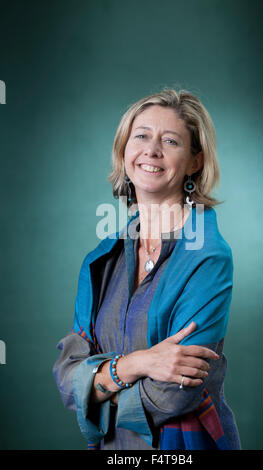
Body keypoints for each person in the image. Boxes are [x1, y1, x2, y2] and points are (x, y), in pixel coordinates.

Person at [52, 88, 241, 450]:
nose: (151, 150)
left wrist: (97, 390)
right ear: (125, 152)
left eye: (170, 141)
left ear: (195, 162)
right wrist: (140, 363)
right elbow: (67, 376)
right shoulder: (101, 260)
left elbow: (175, 395)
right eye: (141, 136)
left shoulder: (208, 257)